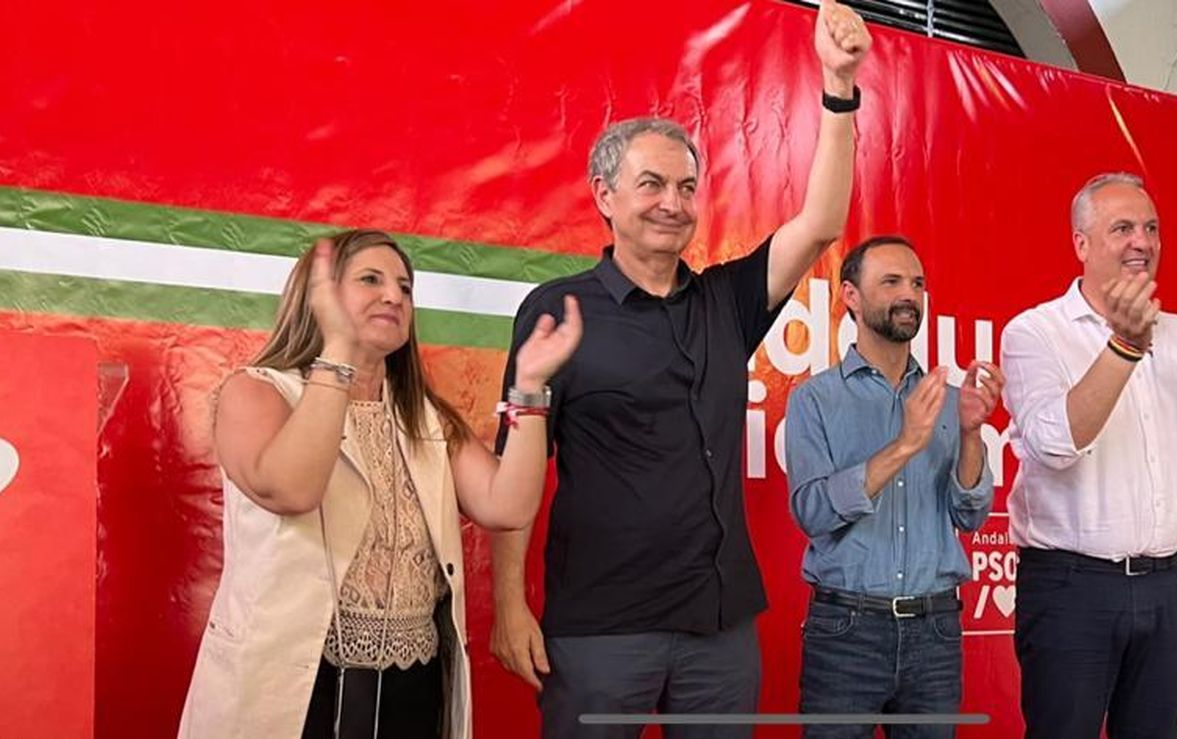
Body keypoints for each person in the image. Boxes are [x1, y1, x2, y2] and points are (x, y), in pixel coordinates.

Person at [485, 2, 872, 736]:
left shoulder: (727, 300)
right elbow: (516, 471)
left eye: (687, 187)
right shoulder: (558, 311)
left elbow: (820, 222)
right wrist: (510, 602)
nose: (673, 203)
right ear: (605, 196)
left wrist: (838, 85)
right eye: (652, 185)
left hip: (718, 630)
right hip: (601, 631)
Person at [178, 229, 581, 739]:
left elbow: (508, 505)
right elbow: (291, 489)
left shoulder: (424, 418)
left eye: (406, 288)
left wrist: (529, 391)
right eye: (371, 280)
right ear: (318, 297)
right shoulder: (257, 391)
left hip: (411, 691)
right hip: (291, 690)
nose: (394, 296)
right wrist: (338, 354)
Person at [1000, 173, 1177, 739]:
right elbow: (1056, 443)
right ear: (1081, 244)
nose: (1141, 242)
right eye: (1122, 228)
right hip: (1072, 588)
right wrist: (1124, 345)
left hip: (1167, 586)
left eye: (1150, 228)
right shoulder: (1035, 332)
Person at [784, 235, 1002, 738]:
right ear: (851, 297)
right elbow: (812, 513)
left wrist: (971, 434)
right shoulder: (814, 400)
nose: (910, 294)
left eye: (918, 284)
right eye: (892, 282)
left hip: (935, 632)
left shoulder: (949, 400)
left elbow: (970, 514)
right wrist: (904, 445)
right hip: (846, 632)